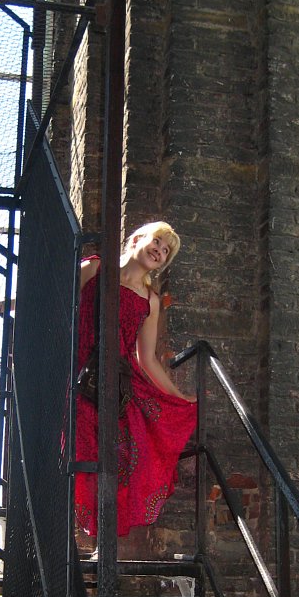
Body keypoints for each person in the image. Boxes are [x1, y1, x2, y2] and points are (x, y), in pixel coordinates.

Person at [75, 221, 197, 541]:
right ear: (138, 239)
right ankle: (63, 540)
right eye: (157, 242)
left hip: (115, 387)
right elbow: (57, 299)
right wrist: (4, 304)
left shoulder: (150, 300)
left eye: (166, 251)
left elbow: (148, 360)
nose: (160, 251)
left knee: (120, 460)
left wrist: (178, 397)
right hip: (77, 374)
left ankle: (102, 542)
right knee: (77, 455)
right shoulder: (95, 268)